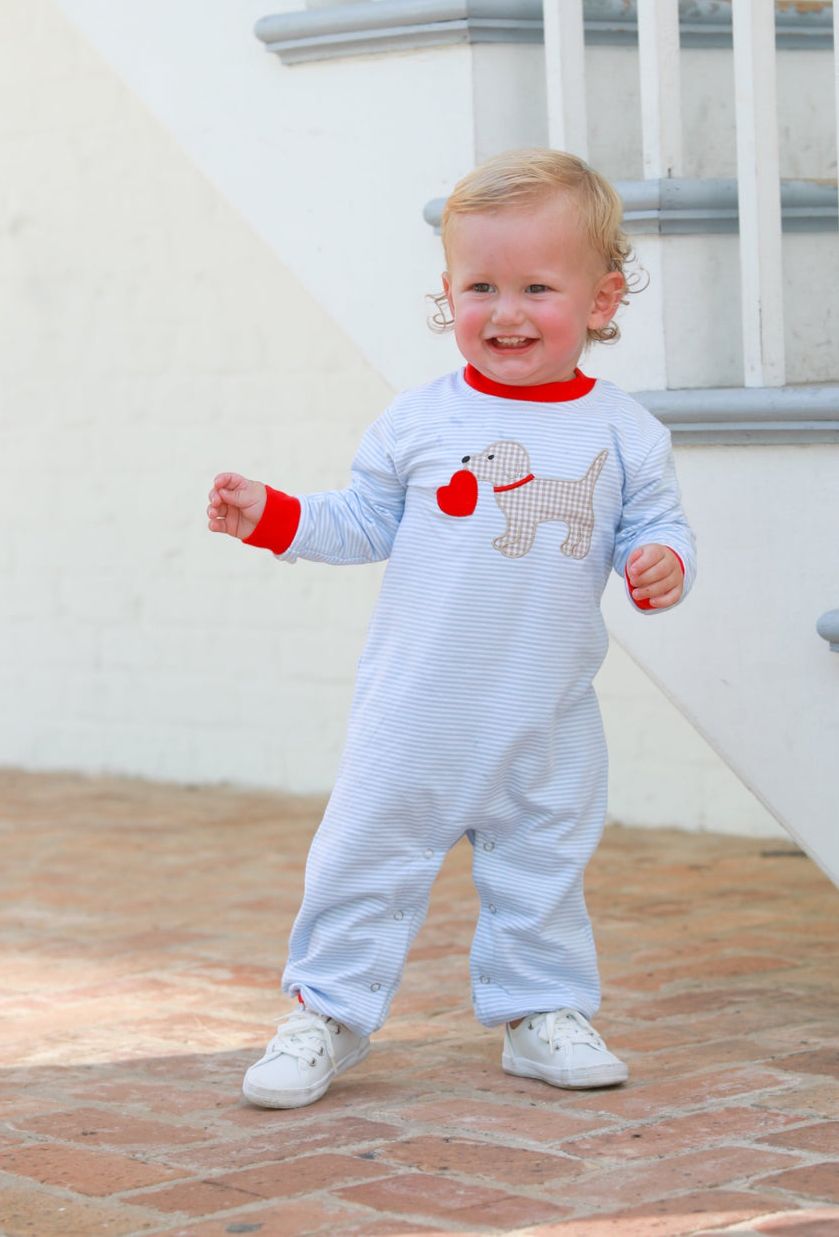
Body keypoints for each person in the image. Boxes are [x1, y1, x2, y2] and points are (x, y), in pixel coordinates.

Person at [206, 148, 696, 1109]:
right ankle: (328, 1011)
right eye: (481, 286)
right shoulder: (419, 421)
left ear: (602, 300)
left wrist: (662, 563)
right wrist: (273, 515)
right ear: (446, 294)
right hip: (417, 708)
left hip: (545, 710)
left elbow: (655, 524)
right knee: (363, 858)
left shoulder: (624, 433)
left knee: (544, 861)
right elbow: (363, 522)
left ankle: (541, 1011)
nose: (505, 312)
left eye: (536, 288)